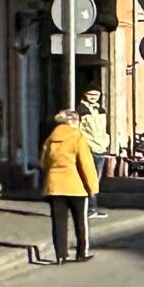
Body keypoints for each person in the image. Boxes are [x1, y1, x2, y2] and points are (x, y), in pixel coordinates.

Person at [38, 107, 99, 262]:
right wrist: (92, 187)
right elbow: (86, 164)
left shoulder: (50, 139)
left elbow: (44, 162)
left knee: (59, 222)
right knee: (80, 222)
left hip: (54, 186)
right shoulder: (77, 138)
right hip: (76, 186)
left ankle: (60, 255)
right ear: (73, 121)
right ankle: (81, 253)